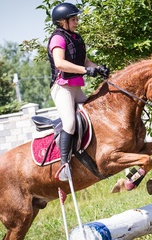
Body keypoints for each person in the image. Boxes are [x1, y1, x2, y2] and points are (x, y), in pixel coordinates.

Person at [48, 2, 109, 181]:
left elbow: (85, 61)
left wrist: (97, 68)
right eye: (73, 19)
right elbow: (60, 63)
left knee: (94, 116)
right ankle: (64, 165)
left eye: (76, 19)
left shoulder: (76, 38)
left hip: (76, 88)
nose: (76, 22)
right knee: (70, 123)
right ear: (62, 22)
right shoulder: (57, 38)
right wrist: (85, 71)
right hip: (63, 88)